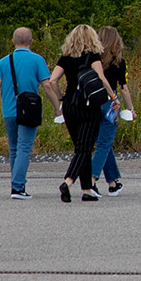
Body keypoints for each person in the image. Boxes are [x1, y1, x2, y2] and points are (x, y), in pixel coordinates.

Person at [47, 24, 115, 202]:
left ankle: (87, 190)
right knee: (84, 148)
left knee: (80, 148)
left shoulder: (66, 58)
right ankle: (67, 182)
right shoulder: (93, 56)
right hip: (88, 106)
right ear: (92, 38)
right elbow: (101, 79)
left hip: (70, 105)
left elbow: (53, 80)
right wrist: (113, 96)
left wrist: (62, 97)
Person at [0, 27, 49, 200]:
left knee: (14, 149)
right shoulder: (37, 60)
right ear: (32, 42)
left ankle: (16, 183)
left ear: (13, 42)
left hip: (9, 111)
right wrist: (57, 106)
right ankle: (18, 187)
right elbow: (47, 85)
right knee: (24, 148)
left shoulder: (4, 62)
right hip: (29, 111)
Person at [90, 25, 134, 197]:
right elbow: (123, 88)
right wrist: (130, 108)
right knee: (104, 143)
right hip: (110, 103)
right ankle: (91, 180)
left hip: (92, 102)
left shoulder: (92, 60)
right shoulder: (118, 62)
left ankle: (113, 181)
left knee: (104, 143)